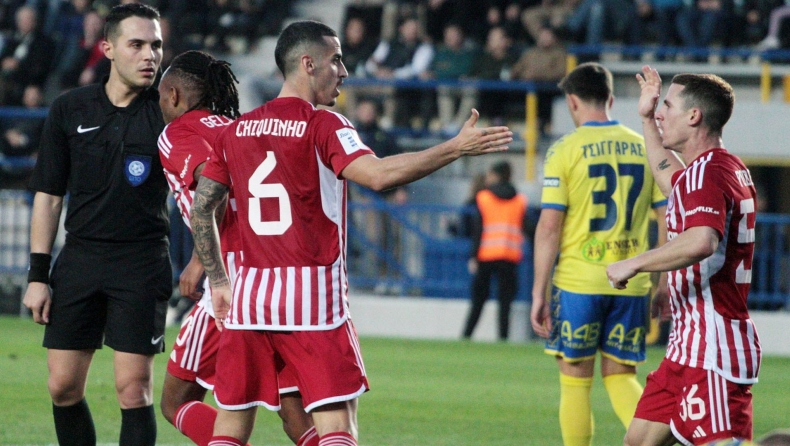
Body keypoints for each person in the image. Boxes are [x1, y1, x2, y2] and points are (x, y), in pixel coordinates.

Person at [189, 20, 512, 446]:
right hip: (312, 298)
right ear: (308, 64)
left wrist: (218, 280)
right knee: (336, 424)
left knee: (231, 424)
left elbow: (201, 208)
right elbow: (378, 176)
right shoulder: (323, 124)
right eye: (336, 60)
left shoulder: (235, 130)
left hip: (250, 297)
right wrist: (454, 147)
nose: (343, 71)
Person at [21, 4, 169, 445]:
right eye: (137, 44)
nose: (149, 55)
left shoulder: (169, 112)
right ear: (108, 48)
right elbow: (49, 197)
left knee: (133, 388)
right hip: (80, 258)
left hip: (141, 261)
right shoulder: (69, 108)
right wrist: (37, 276)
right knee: (62, 387)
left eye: (156, 45)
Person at [157, 50, 316, 446]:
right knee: (294, 410)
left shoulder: (177, 133)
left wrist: (203, 263)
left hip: (231, 285)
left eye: (160, 95)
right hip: (279, 277)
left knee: (177, 400)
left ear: (173, 95)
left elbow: (213, 191)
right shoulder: (238, 126)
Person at [607, 67, 762, 446]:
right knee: (638, 442)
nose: (661, 113)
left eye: (667, 106)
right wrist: (646, 119)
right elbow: (668, 177)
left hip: (712, 350)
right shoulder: (719, 167)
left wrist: (635, 262)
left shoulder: (707, 174)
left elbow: (702, 241)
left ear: (694, 116)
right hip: (687, 346)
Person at [531, 62, 668, 446]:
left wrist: (539, 291)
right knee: (621, 376)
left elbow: (549, 227)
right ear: (610, 98)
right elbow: (668, 218)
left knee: (575, 379)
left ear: (572, 102)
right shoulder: (644, 146)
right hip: (632, 282)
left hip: (580, 282)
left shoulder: (565, 150)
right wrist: (663, 280)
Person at [462, 161, 528, 341]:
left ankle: (466, 336)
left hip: (486, 255)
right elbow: (527, 227)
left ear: (496, 175)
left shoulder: (484, 197)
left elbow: (478, 230)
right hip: (509, 256)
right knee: (505, 303)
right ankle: (503, 339)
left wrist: (473, 256)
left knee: (478, 301)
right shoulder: (520, 200)